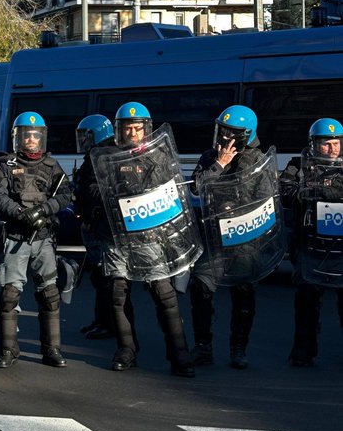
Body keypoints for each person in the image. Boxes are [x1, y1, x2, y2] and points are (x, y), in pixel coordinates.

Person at [94, 102, 196, 376]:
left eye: (137, 128)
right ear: (119, 130)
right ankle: (126, 349)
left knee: (165, 295)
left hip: (148, 235)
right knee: (117, 295)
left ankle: (179, 354)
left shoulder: (157, 156)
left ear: (146, 129)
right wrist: (110, 194)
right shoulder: (104, 155)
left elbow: (171, 189)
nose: (132, 132)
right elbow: (88, 190)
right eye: (127, 128)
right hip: (116, 237)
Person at [190, 105, 277, 370]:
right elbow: (197, 187)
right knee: (200, 288)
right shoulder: (209, 157)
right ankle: (203, 346)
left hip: (243, 238)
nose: (225, 137)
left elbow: (266, 199)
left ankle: (238, 347)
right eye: (223, 130)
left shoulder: (259, 161)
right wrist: (219, 165)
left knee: (243, 294)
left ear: (246, 135)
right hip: (213, 239)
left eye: (231, 133)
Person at [0, 112, 72, 370]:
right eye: (27, 136)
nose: (32, 140)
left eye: (36, 136)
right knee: (10, 294)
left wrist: (43, 211)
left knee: (50, 295)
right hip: (16, 236)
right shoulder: (5, 164)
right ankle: (8, 350)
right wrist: (20, 214)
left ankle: (52, 349)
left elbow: (67, 194)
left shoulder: (51, 165)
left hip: (44, 237)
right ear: (17, 138)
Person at [280, 117, 343, 367]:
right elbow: (285, 193)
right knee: (306, 301)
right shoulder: (298, 166)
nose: (333, 149)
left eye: (336, 143)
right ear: (314, 144)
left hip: (341, 247)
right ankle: (303, 351)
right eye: (326, 144)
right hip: (309, 246)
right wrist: (314, 191)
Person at [73, 114, 118, 341]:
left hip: (102, 226)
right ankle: (100, 320)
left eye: (86, 136)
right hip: (95, 223)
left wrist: (83, 192)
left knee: (105, 276)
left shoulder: (104, 156)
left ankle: (108, 323)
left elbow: (101, 191)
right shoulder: (97, 155)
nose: (82, 141)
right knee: (99, 276)